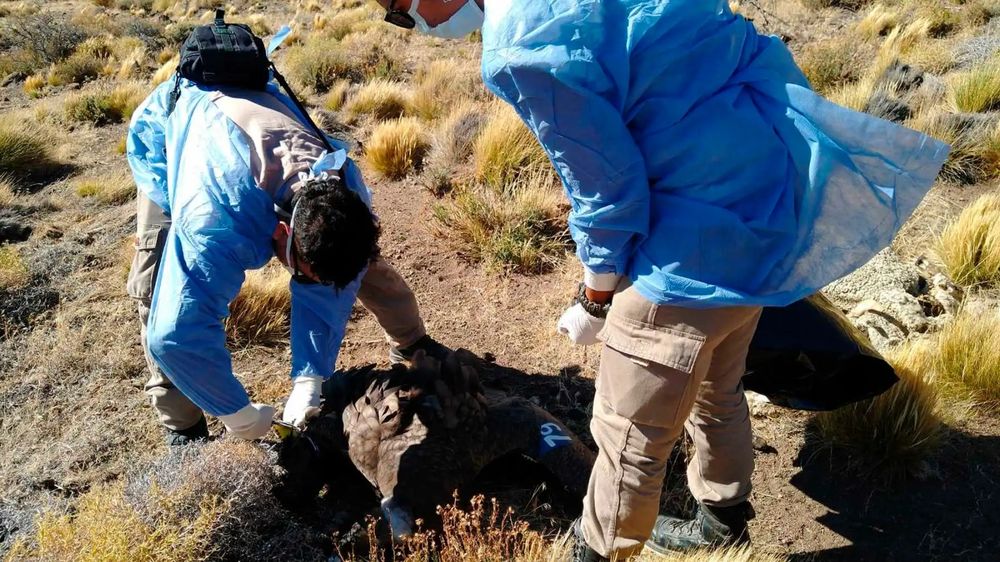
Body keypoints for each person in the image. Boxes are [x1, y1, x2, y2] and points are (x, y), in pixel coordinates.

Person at [371, 0, 949, 559]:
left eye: (402, 8)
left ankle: (598, 553)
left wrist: (594, 298)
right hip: (759, 200)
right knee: (716, 386)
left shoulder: (521, 44)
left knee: (627, 434)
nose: (412, 23)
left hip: (690, 243)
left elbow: (607, 192)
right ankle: (722, 519)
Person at [126, 54, 447, 447]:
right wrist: (237, 414)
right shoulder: (211, 220)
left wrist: (309, 377)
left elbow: (332, 280)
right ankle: (182, 425)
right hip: (179, 135)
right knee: (159, 289)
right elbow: (175, 333)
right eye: (304, 272)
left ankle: (411, 340)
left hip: (255, 119)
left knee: (352, 263)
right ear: (281, 232)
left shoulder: (344, 187)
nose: (315, 284)